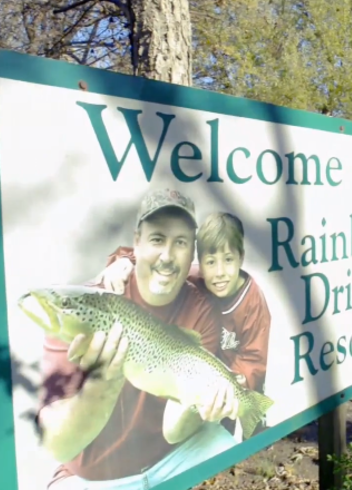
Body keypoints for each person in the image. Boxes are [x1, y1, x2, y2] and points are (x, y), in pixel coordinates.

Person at [37, 189, 240, 490]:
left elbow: (174, 431)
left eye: (181, 243)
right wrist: (100, 385)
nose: (168, 256)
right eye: (157, 239)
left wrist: (197, 404)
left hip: (172, 457)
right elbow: (57, 445)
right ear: (136, 242)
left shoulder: (201, 309)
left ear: (192, 252)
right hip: (93, 476)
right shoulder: (79, 309)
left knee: (228, 449)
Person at [96, 211, 272, 439]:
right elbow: (159, 265)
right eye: (210, 262)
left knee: (228, 424)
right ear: (200, 262)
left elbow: (254, 360)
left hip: (232, 380)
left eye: (228, 260)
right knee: (194, 424)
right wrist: (123, 261)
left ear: (241, 258)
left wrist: (235, 385)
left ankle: (250, 429)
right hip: (196, 371)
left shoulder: (254, 303)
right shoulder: (195, 277)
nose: (219, 273)